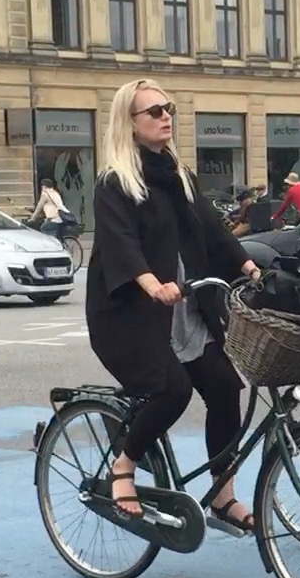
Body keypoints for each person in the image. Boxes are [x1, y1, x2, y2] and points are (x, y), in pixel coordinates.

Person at [87, 78, 263, 529]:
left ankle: (222, 497)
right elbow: (120, 242)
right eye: (154, 111)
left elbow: (213, 230)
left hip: (186, 308)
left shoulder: (179, 174)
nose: (166, 116)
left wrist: (248, 268)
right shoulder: (115, 181)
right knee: (173, 391)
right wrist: (150, 283)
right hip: (132, 314)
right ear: (129, 122)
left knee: (225, 388)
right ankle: (123, 465)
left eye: (168, 109)